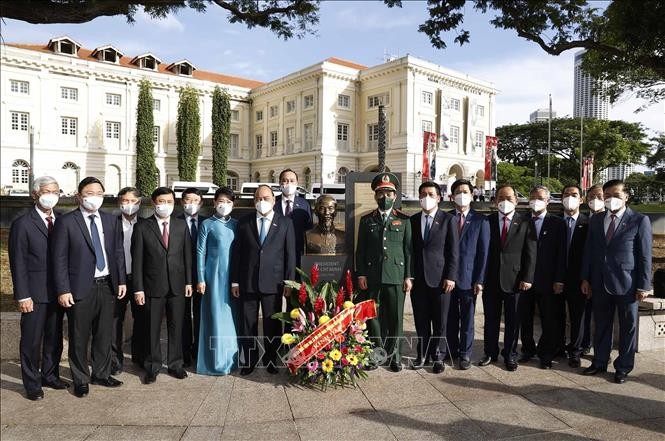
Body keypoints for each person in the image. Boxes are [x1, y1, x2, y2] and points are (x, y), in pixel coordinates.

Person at [52, 177, 126, 398]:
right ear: (79, 196)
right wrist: (63, 289)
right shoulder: (67, 222)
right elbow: (59, 259)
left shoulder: (111, 220)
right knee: (79, 335)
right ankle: (81, 379)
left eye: (99, 193)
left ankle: (101, 373)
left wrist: (121, 280)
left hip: (107, 285)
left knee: (104, 334)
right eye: (89, 193)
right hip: (80, 288)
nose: (95, 198)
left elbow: (118, 253)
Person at [581, 179, 653, 384]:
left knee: (627, 327)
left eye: (617, 195)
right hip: (599, 281)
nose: (611, 199)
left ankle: (623, 367)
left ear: (626, 197)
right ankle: (600, 361)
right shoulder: (596, 220)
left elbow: (645, 255)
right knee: (601, 324)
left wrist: (644, 285)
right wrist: (585, 277)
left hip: (628, 284)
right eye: (608, 195)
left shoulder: (639, 220)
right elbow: (589, 250)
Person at [9, 176, 67, 400]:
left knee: (54, 337)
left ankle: (50, 375)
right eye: (46, 190)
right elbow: (18, 262)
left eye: (55, 190)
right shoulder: (22, 223)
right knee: (32, 341)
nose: (51, 194)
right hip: (33, 293)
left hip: (59, 291)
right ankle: (32, 383)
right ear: (35, 194)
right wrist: (23, 295)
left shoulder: (62, 219)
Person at [231, 185, 296, 376]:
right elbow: (237, 254)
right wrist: (235, 281)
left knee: (272, 324)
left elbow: (290, 255)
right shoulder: (243, 222)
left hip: (274, 283)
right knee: (247, 323)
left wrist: (289, 282)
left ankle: (270, 358)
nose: (262, 201)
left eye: (266, 198)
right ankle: (250, 359)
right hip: (247, 281)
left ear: (274, 200)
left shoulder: (285, 223)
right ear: (254, 201)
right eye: (258, 198)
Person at [132, 187, 192, 384]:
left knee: (177, 327)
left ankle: (176, 364)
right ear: (153, 203)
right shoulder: (142, 227)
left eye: (169, 201)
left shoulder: (181, 225)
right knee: (152, 328)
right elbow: (137, 261)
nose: (165, 205)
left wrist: (189, 282)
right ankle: (152, 366)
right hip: (152, 287)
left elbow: (187, 257)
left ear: (174, 203)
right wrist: (138, 288)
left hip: (177, 286)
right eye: (161, 201)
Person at [356, 173, 413, 372]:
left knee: (396, 319)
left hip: (396, 276)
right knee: (374, 318)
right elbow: (360, 250)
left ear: (395, 195)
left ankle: (395, 356)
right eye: (380, 193)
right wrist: (361, 274)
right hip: (372, 276)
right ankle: (376, 355)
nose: (384, 196)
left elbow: (408, 251)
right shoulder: (366, 220)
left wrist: (408, 276)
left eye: (388, 193)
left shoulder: (404, 220)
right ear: (375, 196)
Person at [479, 184, 536, 371]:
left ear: (516, 201)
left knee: (513, 321)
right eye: (501, 199)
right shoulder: (487, 222)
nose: (505, 202)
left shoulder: (526, 222)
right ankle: (490, 352)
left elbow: (530, 253)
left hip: (516, 280)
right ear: (495, 201)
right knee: (491, 320)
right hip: (491, 279)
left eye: (509, 199)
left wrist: (527, 278)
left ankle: (510, 355)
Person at [409, 181, 458, 374]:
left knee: (440, 321)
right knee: (421, 320)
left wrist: (451, 276)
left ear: (439, 197)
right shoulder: (412, 220)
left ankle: (438, 356)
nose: (426, 198)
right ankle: (422, 355)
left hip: (441, 280)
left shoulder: (448, 220)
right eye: (422, 194)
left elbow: (453, 252)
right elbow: (410, 251)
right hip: (419, 280)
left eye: (430, 194)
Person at [518, 185, 566, 369]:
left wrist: (559, 280)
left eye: (540, 198)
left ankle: (546, 353)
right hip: (524, 281)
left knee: (548, 319)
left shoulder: (557, 223)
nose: (536, 200)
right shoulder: (521, 221)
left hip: (549, 281)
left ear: (547, 201)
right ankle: (527, 350)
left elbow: (562, 254)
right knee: (525, 318)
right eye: (533, 197)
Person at [447, 179, 489, 370]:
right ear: (451, 196)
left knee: (467, 318)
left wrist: (480, 279)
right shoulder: (446, 218)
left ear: (472, 195)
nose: (461, 195)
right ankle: (451, 349)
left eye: (465, 191)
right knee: (449, 317)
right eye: (458, 191)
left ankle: (465, 353)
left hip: (469, 278)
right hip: (447, 278)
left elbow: (483, 252)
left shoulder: (481, 220)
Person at [196, 187, 239, 375]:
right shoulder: (207, 224)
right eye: (221, 201)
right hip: (212, 277)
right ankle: (213, 361)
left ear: (233, 205)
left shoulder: (236, 224)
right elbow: (200, 252)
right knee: (214, 316)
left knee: (230, 317)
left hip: (233, 276)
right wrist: (200, 278)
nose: (225, 205)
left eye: (229, 202)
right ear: (214, 203)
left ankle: (232, 359)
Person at [111, 187, 149, 375]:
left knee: (141, 319)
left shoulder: (145, 224)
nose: (129, 205)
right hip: (117, 280)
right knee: (114, 320)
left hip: (139, 280)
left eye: (133, 201)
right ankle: (114, 361)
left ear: (139, 203)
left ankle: (140, 357)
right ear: (119, 202)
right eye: (125, 201)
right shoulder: (111, 224)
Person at [560, 184, 589, 368]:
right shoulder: (554, 222)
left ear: (581, 199)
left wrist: (587, 278)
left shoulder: (588, 224)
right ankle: (557, 346)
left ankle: (575, 351)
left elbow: (591, 254)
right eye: (566, 194)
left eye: (574, 194)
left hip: (579, 279)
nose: (570, 197)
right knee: (555, 315)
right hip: (556, 278)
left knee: (578, 317)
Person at [178, 187, 207, 367]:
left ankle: (199, 349)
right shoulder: (175, 221)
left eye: (195, 200)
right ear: (182, 202)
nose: (191, 204)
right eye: (188, 200)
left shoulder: (206, 222)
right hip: (181, 277)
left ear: (201, 203)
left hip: (202, 277)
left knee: (200, 314)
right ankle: (184, 351)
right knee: (182, 316)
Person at [581, 184, 605, 354]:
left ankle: (602, 350)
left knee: (603, 318)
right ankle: (585, 344)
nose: (595, 200)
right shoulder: (582, 220)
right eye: (591, 197)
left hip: (605, 278)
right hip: (584, 275)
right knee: (584, 313)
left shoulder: (611, 219)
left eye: (599, 196)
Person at [274, 169, 313, 263]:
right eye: (285, 180)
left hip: (297, 253)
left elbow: (309, 229)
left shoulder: (304, 204)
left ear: (297, 183)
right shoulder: (272, 202)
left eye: (292, 181)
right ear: (280, 183)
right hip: (276, 253)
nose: (289, 183)